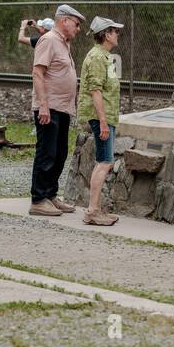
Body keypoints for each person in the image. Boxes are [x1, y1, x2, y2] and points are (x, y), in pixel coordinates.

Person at [29, 3, 84, 217]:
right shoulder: (49, 40)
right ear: (64, 20)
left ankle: (50, 194)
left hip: (62, 108)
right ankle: (38, 199)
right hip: (49, 107)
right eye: (76, 24)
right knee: (47, 152)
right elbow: (38, 73)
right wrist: (43, 106)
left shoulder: (63, 43)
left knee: (59, 153)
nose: (78, 29)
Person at [77, 16, 123, 226]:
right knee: (104, 162)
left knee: (103, 161)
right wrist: (103, 121)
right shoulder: (97, 57)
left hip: (107, 116)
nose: (117, 35)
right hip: (100, 117)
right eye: (114, 31)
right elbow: (95, 90)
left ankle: (94, 209)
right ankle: (93, 211)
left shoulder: (105, 56)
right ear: (106, 34)